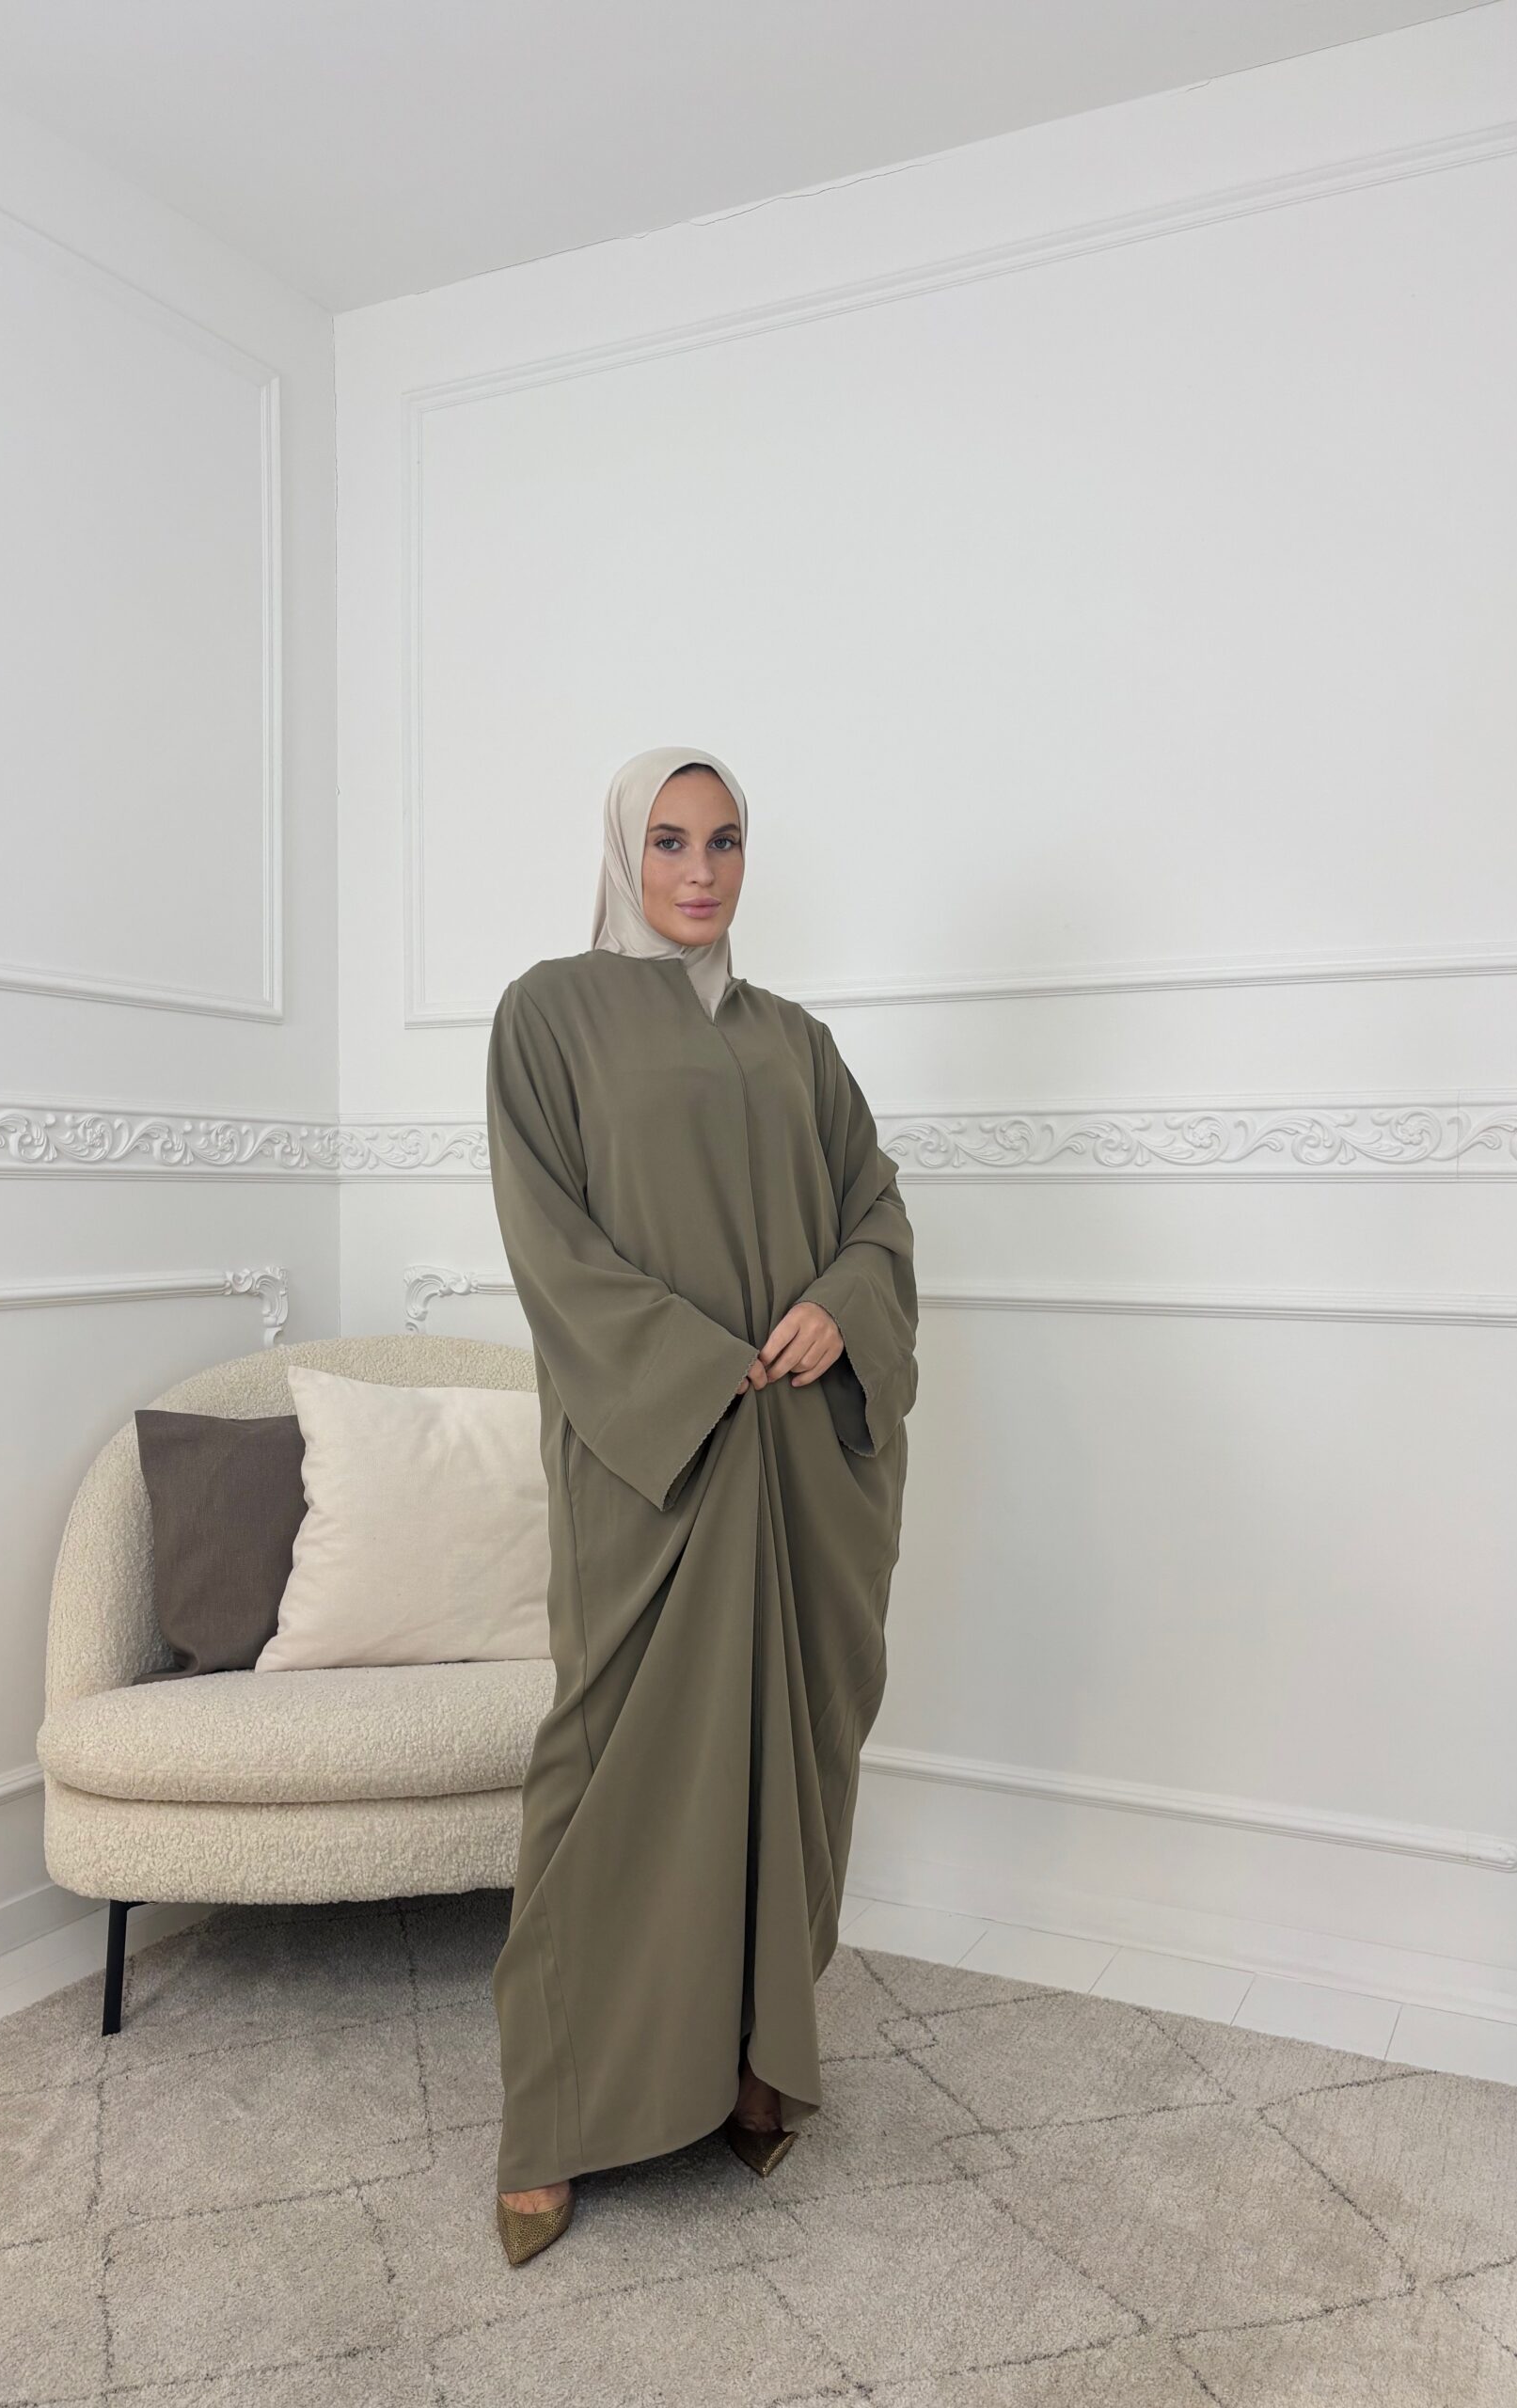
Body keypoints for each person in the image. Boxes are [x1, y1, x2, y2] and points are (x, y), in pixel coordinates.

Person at [486, 744, 919, 2267]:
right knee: (606, 1771)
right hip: (652, 1459)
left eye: (725, 842)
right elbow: (550, 1241)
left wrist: (843, 1307)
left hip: (795, 1459)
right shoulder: (550, 1013)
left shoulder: (798, 1041)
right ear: (625, 849)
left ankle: (750, 2063)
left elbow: (877, 1214)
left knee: (781, 1755)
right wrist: (691, 1367)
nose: (700, 871)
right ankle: (554, 2116)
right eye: (670, 840)